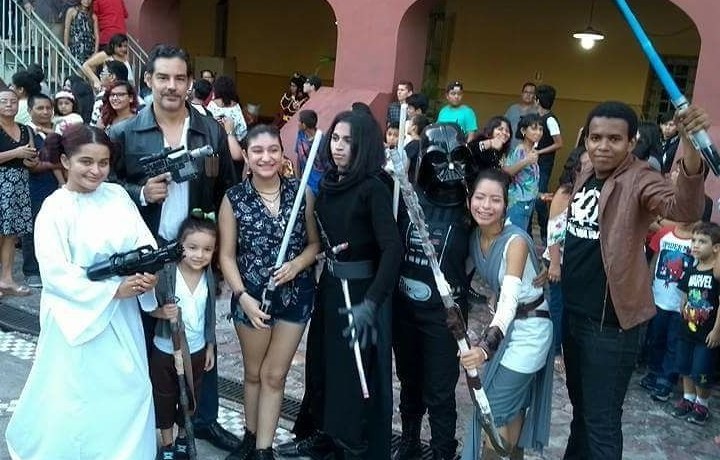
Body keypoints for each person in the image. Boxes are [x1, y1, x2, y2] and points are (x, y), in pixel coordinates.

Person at [108, 43, 240, 453]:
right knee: (149, 342)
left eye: (179, 78)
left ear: (190, 82)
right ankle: (154, 425)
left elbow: (227, 189)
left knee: (201, 336)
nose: (171, 86)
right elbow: (104, 187)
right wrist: (140, 192)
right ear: (148, 80)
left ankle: (203, 420)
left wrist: (221, 254)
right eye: (162, 77)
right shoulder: (125, 133)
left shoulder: (209, 131)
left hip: (195, 253)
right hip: (149, 251)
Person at [561, 101, 708, 460]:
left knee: (601, 423)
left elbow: (685, 209)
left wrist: (690, 146)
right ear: (586, 139)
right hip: (574, 315)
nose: (603, 146)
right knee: (581, 414)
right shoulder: (586, 171)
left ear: (631, 142)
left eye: (614, 139)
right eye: (595, 137)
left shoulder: (640, 177)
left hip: (610, 326)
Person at [5, 124, 159, 459]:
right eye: (86, 161)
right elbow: (56, 274)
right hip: (75, 317)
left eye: (103, 163)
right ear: (65, 160)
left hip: (121, 316)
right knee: (78, 394)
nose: (96, 170)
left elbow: (143, 243)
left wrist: (148, 273)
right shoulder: (55, 208)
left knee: (131, 387)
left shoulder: (117, 196)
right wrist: (112, 290)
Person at [219, 125, 320, 460]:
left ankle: (264, 450)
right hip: (252, 299)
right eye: (257, 151)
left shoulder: (301, 193)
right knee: (253, 374)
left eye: (273, 149)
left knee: (274, 376)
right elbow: (226, 256)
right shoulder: (234, 198)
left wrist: (297, 264)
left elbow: (314, 244)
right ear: (246, 156)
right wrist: (242, 296)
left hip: (296, 296)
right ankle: (250, 439)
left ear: (282, 153)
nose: (266, 157)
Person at [316, 110, 402, 458]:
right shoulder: (328, 183)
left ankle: (355, 444)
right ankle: (330, 435)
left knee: (356, 372)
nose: (338, 146)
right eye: (335, 138)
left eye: (348, 141)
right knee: (328, 364)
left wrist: (372, 303)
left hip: (362, 293)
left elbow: (392, 248)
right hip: (331, 287)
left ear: (363, 145)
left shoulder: (373, 188)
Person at [392, 123, 479, 460]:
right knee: (409, 381)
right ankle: (410, 441)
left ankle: (443, 451)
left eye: (458, 157)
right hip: (405, 309)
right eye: (439, 158)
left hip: (446, 316)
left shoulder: (472, 209)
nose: (451, 167)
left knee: (441, 391)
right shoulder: (403, 197)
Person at [460, 168, 553, 460]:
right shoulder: (475, 236)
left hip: (529, 333)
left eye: (495, 200)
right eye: (480, 197)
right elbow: (460, 278)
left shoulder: (516, 243)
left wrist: (485, 348)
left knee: (492, 411)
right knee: (511, 410)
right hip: (508, 331)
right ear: (469, 199)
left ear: (506, 203)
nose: (485, 206)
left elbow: (510, 300)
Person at [151, 215, 219, 460]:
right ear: (180, 245)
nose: (199, 255)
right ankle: (167, 443)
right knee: (165, 396)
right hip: (165, 349)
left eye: (207, 249)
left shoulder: (209, 276)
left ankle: (182, 438)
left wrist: (210, 345)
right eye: (192, 247)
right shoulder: (167, 273)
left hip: (197, 350)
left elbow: (210, 313)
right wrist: (161, 312)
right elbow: (146, 305)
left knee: (191, 396)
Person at [638, 219, 694, 402]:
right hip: (659, 298)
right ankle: (653, 371)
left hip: (680, 304)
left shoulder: (697, 240)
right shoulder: (664, 233)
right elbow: (654, 261)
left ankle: (667, 379)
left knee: (674, 343)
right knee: (656, 337)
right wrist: (647, 287)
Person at [671, 222, 720, 425]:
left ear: (716, 247)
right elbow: (684, 295)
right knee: (685, 366)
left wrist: (717, 331)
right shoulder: (691, 270)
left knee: (701, 370)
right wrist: (682, 312)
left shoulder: (716, 274)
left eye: (702, 241)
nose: (696, 245)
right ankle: (688, 399)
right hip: (687, 329)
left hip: (707, 333)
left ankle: (702, 404)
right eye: (694, 241)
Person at [544, 148, 589, 367]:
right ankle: (554, 350)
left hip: (579, 263)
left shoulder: (592, 191)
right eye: (583, 165)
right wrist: (554, 264)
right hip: (559, 260)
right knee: (558, 306)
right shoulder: (564, 192)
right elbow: (553, 230)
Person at [0, 87, 36, 296]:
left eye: (13, 101)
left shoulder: (26, 129)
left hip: (19, 183)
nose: (9, 105)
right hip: (1, 181)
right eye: (4, 101)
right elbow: (19, 153)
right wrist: (16, 152)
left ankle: (6, 280)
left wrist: (31, 160)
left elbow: (30, 158)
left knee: (11, 234)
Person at [22, 93, 60, 289]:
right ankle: (32, 271)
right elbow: (32, 165)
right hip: (35, 186)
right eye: (40, 108)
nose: (46, 112)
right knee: (33, 228)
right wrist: (57, 164)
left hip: (58, 186)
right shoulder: (26, 132)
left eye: (48, 108)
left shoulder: (57, 129)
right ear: (30, 110)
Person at [530, 85, 562, 244]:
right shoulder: (536, 117)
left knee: (539, 199)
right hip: (533, 163)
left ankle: (545, 232)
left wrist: (539, 152)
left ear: (537, 100)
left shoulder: (550, 120)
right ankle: (528, 232)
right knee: (530, 196)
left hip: (543, 164)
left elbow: (559, 143)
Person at [502, 113, 541, 230]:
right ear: (523, 130)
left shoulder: (532, 151)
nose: (538, 132)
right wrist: (526, 161)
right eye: (534, 128)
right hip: (517, 203)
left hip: (528, 202)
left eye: (540, 129)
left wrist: (539, 195)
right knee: (514, 234)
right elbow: (507, 172)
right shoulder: (519, 151)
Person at [207, 75, 248, 144]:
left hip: (215, 143)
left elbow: (206, 124)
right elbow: (242, 130)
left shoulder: (212, 104)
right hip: (232, 144)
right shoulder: (236, 106)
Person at [88, 59, 129, 126]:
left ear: (112, 77)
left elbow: (93, 126)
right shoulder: (137, 98)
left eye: (102, 73)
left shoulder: (101, 97)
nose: (100, 75)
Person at [294, 109, 326, 195]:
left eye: (299, 121)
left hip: (320, 184)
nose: (297, 123)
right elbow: (299, 157)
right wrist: (298, 178)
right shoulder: (300, 135)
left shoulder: (321, 141)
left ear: (304, 125)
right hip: (307, 182)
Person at [504, 82, 537, 151]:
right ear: (522, 94)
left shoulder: (537, 112)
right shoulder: (512, 109)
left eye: (531, 93)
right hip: (510, 149)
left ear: (534, 96)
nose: (528, 95)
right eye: (526, 92)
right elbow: (504, 126)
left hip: (529, 150)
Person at [64, 0, 99, 65]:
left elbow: (96, 35)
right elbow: (67, 29)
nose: (87, 1)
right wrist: (66, 46)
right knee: (76, 66)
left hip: (89, 47)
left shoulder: (93, 16)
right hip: (76, 45)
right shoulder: (72, 11)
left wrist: (95, 51)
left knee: (87, 67)